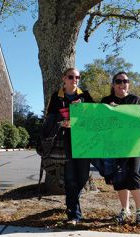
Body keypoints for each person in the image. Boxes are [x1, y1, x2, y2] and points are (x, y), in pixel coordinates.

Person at [101, 71, 140, 225]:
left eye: (125, 81)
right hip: (114, 146)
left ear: (128, 84)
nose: (122, 84)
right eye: (118, 81)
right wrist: (107, 110)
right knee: (119, 176)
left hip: (133, 145)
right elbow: (97, 123)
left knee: (133, 174)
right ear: (113, 84)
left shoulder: (135, 100)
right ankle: (125, 210)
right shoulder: (106, 100)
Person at [45, 67, 94, 226]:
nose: (75, 80)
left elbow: (96, 115)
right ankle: (74, 214)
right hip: (65, 143)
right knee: (70, 178)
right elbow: (50, 119)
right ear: (64, 79)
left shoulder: (84, 95)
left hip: (84, 143)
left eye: (77, 77)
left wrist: (84, 107)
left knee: (83, 177)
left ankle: (72, 201)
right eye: (71, 77)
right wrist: (62, 121)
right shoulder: (56, 97)